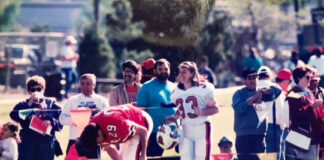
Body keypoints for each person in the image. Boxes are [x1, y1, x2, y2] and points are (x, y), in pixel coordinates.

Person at [165, 61, 219, 160]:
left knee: (202, 158)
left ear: (192, 74)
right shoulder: (176, 92)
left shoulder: (203, 88)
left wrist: (202, 112)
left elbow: (216, 109)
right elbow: (182, 109)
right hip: (186, 130)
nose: (181, 75)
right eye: (180, 72)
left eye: (184, 72)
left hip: (202, 128)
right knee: (186, 158)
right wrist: (175, 116)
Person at [10, 75, 63, 160]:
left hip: (46, 143)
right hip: (28, 143)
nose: (36, 92)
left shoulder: (51, 104)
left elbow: (61, 124)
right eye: (33, 89)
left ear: (43, 89)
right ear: (29, 91)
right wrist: (28, 105)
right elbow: (14, 117)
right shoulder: (23, 104)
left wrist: (51, 121)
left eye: (38, 89)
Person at [137, 58, 177, 158]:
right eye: (160, 69)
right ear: (155, 71)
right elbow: (141, 112)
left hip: (175, 131)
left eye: (165, 69)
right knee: (153, 157)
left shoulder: (175, 87)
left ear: (169, 70)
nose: (163, 71)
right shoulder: (146, 87)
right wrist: (145, 134)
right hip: (154, 132)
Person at [59, 73, 108, 154]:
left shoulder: (102, 101)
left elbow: (107, 120)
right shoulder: (72, 100)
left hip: (94, 141)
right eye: (82, 84)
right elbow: (62, 119)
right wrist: (76, 119)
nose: (85, 86)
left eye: (88, 84)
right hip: (75, 140)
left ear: (94, 85)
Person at [87, 104, 153, 160]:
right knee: (123, 157)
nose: (100, 144)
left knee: (131, 157)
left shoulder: (119, 126)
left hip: (141, 120)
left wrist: (143, 153)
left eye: (98, 142)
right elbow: (109, 147)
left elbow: (143, 131)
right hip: (124, 125)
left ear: (99, 133)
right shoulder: (93, 128)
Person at [285, 66, 324, 160]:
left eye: (311, 77)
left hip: (313, 138)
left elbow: (315, 115)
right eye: (307, 77)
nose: (310, 80)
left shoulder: (309, 93)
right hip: (302, 138)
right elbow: (295, 116)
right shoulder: (294, 92)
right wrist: (312, 106)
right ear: (298, 78)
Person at [232, 68, 266, 160]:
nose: (253, 80)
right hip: (243, 136)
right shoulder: (239, 94)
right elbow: (239, 109)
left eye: (255, 77)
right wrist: (255, 97)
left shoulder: (264, 92)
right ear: (244, 81)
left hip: (259, 135)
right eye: (250, 78)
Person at [257, 66, 286, 160]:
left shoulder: (255, 88)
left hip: (258, 127)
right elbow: (282, 109)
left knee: (263, 156)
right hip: (275, 125)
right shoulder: (276, 87)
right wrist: (283, 125)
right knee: (277, 155)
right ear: (269, 76)